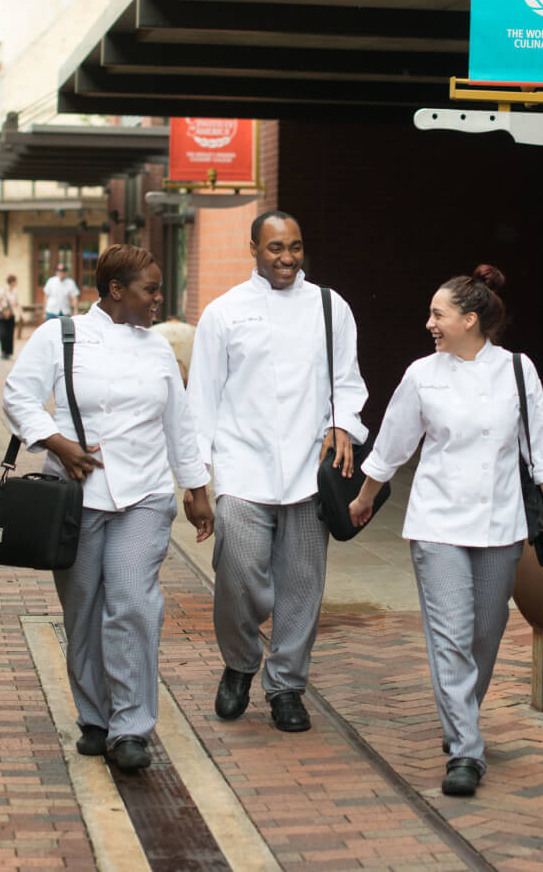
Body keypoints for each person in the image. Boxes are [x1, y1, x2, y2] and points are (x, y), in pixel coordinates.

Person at [346, 265, 543, 797]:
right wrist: (365, 497)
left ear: (470, 319)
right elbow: (394, 444)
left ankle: (460, 717)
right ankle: (466, 750)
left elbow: (539, 444)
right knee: (450, 636)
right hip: (438, 522)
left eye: (438, 314)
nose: (430, 324)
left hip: (501, 523)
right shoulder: (424, 374)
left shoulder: (518, 370)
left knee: (484, 637)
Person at [2, 244, 214, 772]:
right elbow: (18, 395)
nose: (158, 299)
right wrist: (56, 442)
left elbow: (179, 423)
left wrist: (196, 489)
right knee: (84, 611)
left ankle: (131, 727)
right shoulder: (61, 336)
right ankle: (95, 718)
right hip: (77, 500)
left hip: (143, 496)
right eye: (150, 289)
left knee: (134, 602)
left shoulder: (158, 348)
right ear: (116, 290)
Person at [185, 211, 368, 733]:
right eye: (274, 249)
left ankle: (287, 684)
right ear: (252, 249)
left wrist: (344, 427)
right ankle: (241, 661)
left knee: (304, 584)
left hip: (312, 471)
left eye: (295, 247)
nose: (287, 258)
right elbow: (201, 401)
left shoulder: (331, 307)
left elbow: (348, 382)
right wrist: (197, 480)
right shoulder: (224, 314)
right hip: (243, 468)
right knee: (238, 573)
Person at [0, 273, 23, 360]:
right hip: (3, 315)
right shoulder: (2, 291)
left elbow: (17, 303)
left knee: (10, 334)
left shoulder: (15, 292)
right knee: (3, 334)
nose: (16, 283)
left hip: (11, 315)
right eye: (15, 281)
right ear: (12, 281)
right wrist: (1, 309)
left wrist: (21, 314)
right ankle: (3, 351)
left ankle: (8, 352)